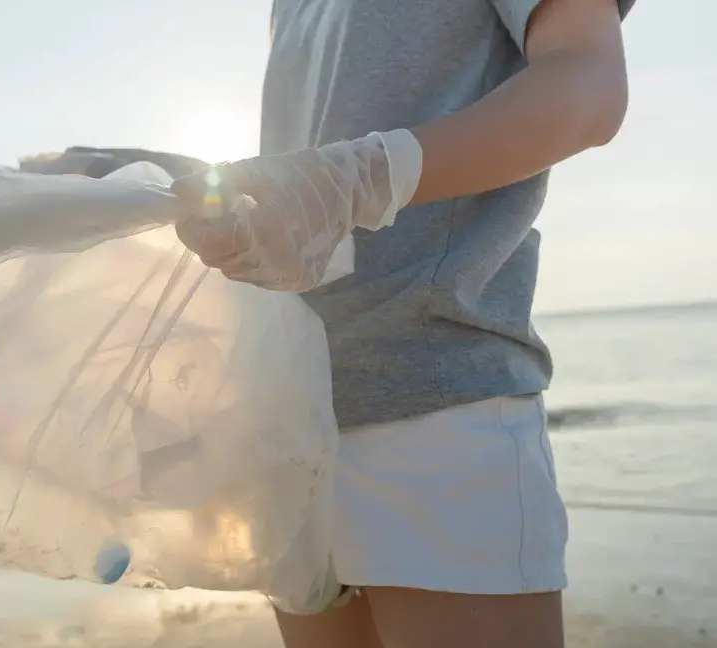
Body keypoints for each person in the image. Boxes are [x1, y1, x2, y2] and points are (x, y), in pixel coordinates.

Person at [170, 0, 636, 646]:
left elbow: (590, 81)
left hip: (440, 411)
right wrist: (140, 178)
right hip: (294, 419)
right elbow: (303, 171)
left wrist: (367, 177)